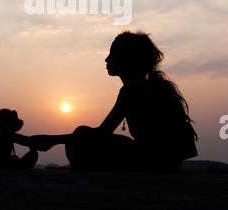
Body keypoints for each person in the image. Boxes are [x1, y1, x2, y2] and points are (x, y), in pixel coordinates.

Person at [29, 31, 198, 173]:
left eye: (113, 55)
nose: (106, 59)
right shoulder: (148, 87)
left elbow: (101, 133)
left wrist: (52, 140)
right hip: (168, 164)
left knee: (81, 135)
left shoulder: (132, 89)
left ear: (128, 60)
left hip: (153, 163)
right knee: (82, 135)